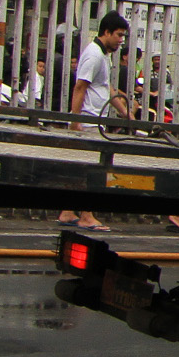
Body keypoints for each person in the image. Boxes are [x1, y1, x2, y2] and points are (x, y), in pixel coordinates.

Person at [59, 12, 130, 233]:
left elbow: (105, 87)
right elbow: (79, 87)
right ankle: (87, 216)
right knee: (93, 170)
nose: (121, 40)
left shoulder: (103, 54)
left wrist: (125, 113)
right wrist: (76, 121)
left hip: (92, 120)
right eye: (118, 35)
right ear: (106, 32)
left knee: (81, 169)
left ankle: (68, 212)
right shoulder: (94, 55)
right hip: (88, 121)